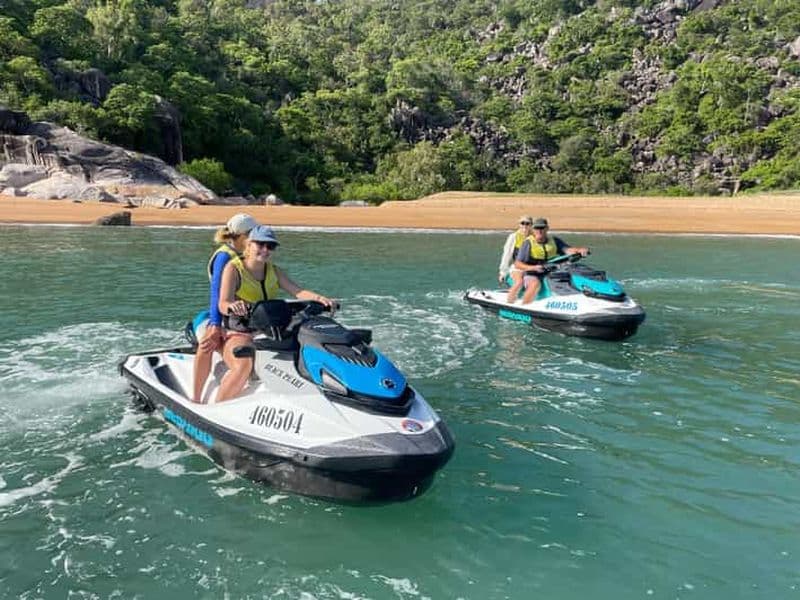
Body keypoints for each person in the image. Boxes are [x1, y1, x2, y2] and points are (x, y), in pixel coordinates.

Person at [215, 225, 335, 403]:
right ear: (248, 245)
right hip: (240, 331)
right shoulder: (233, 269)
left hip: (269, 330)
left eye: (270, 246)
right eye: (260, 244)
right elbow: (223, 304)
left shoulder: (274, 271)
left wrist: (320, 299)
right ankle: (217, 410)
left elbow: (297, 291)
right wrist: (233, 306)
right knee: (243, 365)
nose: (265, 249)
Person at [192, 213, 259, 403]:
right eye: (251, 234)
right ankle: (195, 399)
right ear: (240, 236)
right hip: (216, 316)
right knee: (208, 343)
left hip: (238, 320)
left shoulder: (247, 255)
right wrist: (215, 325)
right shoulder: (223, 257)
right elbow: (216, 293)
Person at [513, 217, 590, 304]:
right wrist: (533, 268)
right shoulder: (528, 243)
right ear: (533, 229)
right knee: (534, 284)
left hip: (551, 271)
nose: (539, 231)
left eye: (542, 228)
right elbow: (517, 264)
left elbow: (568, 250)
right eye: (537, 228)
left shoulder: (555, 241)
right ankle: (524, 307)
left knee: (572, 277)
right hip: (532, 273)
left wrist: (580, 250)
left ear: (547, 229)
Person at [499, 215, 534, 304]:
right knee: (519, 282)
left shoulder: (535, 237)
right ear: (519, 225)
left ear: (531, 225)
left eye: (527, 223)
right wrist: (503, 272)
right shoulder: (513, 237)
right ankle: (509, 302)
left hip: (532, 267)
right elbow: (506, 255)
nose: (525, 226)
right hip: (517, 268)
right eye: (523, 223)